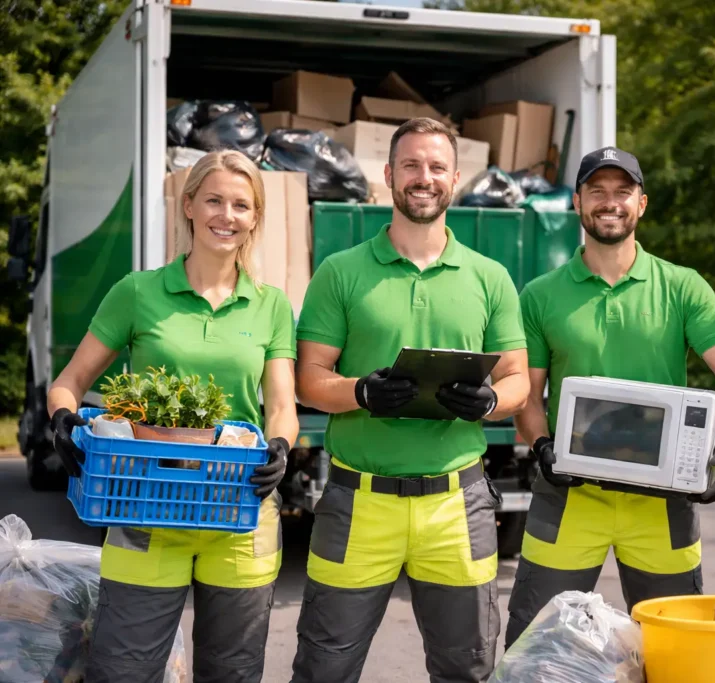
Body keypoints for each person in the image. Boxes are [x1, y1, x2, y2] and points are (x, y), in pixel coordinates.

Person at [289, 117, 530, 683]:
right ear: (389, 175)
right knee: (324, 668)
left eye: (437, 167)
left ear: (454, 178)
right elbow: (309, 380)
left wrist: (490, 402)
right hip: (357, 502)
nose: (425, 177)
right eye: (412, 165)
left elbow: (518, 379)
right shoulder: (341, 272)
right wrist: (361, 391)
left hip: (457, 504)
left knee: (467, 669)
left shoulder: (489, 278)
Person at [47, 149, 298, 682]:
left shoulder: (271, 305)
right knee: (122, 672)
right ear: (188, 205)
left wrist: (280, 447)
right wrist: (63, 419)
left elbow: (280, 404)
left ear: (254, 217)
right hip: (145, 507)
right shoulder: (138, 292)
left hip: (239, 510)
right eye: (213, 200)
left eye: (240, 205)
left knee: (231, 674)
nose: (225, 216)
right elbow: (70, 382)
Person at [504, 146, 715, 648]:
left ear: (642, 203)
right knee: (535, 647)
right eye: (596, 191)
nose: (610, 202)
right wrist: (541, 446)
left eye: (623, 192)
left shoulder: (682, 287)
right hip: (569, 497)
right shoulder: (539, 294)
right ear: (577, 202)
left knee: (674, 652)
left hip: (661, 503)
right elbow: (528, 397)